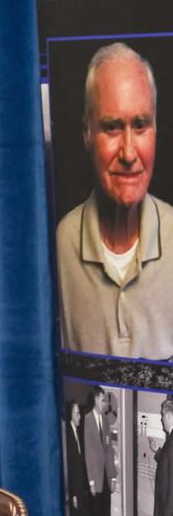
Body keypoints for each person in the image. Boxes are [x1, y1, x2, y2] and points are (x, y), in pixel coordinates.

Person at [56, 42, 173, 359]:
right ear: (87, 134)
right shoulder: (59, 244)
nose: (129, 153)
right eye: (112, 127)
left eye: (140, 125)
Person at [84, 385, 116, 516]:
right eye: (103, 400)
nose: (105, 404)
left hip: (106, 477)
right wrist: (91, 483)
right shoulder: (87, 420)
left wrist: (112, 477)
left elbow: (109, 449)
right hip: (95, 480)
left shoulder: (105, 420)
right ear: (96, 399)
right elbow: (88, 454)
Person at [64, 399, 92, 516]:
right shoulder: (68, 435)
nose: (80, 416)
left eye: (80, 413)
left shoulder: (76, 431)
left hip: (81, 486)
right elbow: (70, 467)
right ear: (70, 415)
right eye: (77, 413)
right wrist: (74, 494)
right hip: (75, 489)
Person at [153, 399, 173, 516]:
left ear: (169, 415)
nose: (160, 419)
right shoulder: (171, 439)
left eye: (162, 415)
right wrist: (157, 452)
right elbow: (168, 463)